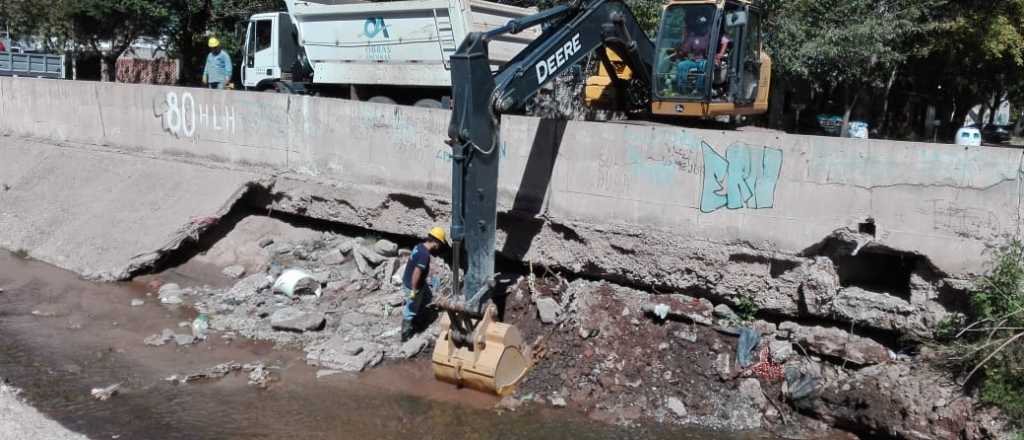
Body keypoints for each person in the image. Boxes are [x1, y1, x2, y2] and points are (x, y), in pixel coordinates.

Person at [401, 227, 447, 342]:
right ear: (436, 241)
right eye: (440, 243)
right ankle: (406, 336)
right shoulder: (424, 255)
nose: (440, 246)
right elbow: (417, 272)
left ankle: (419, 319)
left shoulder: (419, 246)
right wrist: (414, 289)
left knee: (426, 298)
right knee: (410, 310)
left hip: (412, 282)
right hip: (414, 285)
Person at [674, 14, 730, 94]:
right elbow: (686, 49)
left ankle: (699, 89)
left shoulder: (712, 36)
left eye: (703, 25)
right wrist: (681, 52)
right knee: (681, 65)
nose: (701, 27)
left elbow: (724, 42)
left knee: (703, 65)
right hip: (694, 61)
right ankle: (681, 89)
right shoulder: (693, 36)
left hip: (706, 60)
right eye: (699, 25)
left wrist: (718, 55)